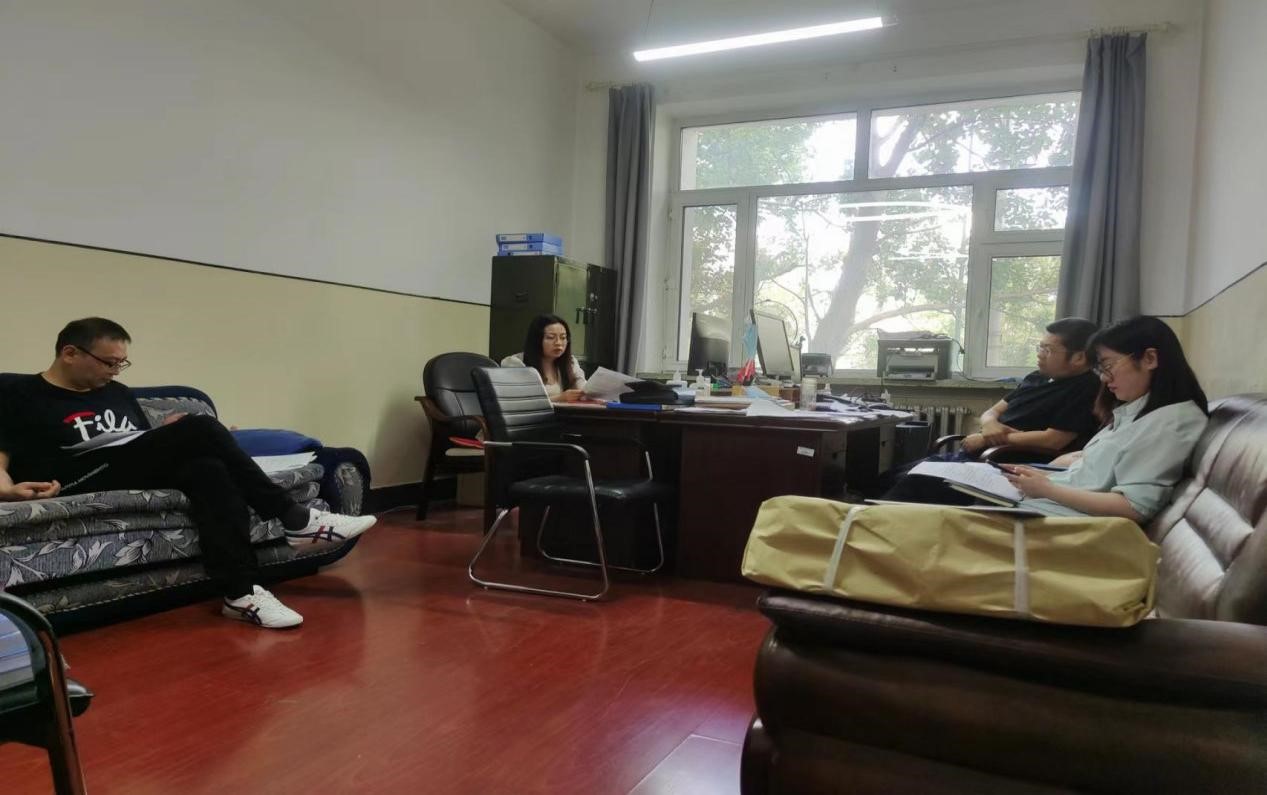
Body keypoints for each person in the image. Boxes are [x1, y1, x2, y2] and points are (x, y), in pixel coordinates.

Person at [0, 318, 377, 629]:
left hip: (121, 466)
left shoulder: (116, 392)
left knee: (208, 469)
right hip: (71, 478)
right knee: (201, 427)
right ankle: (294, 518)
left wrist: (168, 435)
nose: (114, 371)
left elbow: (135, 442)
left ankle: (242, 593)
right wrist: (8, 490)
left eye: (121, 364)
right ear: (70, 353)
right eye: (108, 362)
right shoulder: (19, 394)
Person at [1001, 315, 1209, 522]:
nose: (1103, 377)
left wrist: (1048, 489)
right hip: (1050, 507)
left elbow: (1133, 507)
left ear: (1149, 359)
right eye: (1100, 369)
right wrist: (1043, 477)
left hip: (1072, 524)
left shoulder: (1171, 421)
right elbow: (1093, 476)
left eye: (1108, 365)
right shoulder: (1135, 412)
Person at [879, 317, 1101, 503]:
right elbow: (991, 412)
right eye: (1040, 347)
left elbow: (1053, 440)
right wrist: (990, 426)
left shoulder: (1086, 388)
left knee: (913, 482)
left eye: (1048, 349)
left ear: (1079, 357)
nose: (1040, 354)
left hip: (1005, 463)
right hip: (978, 455)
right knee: (893, 475)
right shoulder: (1037, 378)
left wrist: (987, 438)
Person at [499, 313, 588, 403]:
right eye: (551, 337)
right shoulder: (515, 363)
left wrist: (586, 392)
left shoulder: (570, 362)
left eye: (563, 337)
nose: (558, 343)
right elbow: (518, 402)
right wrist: (560, 398)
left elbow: (583, 388)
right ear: (536, 340)